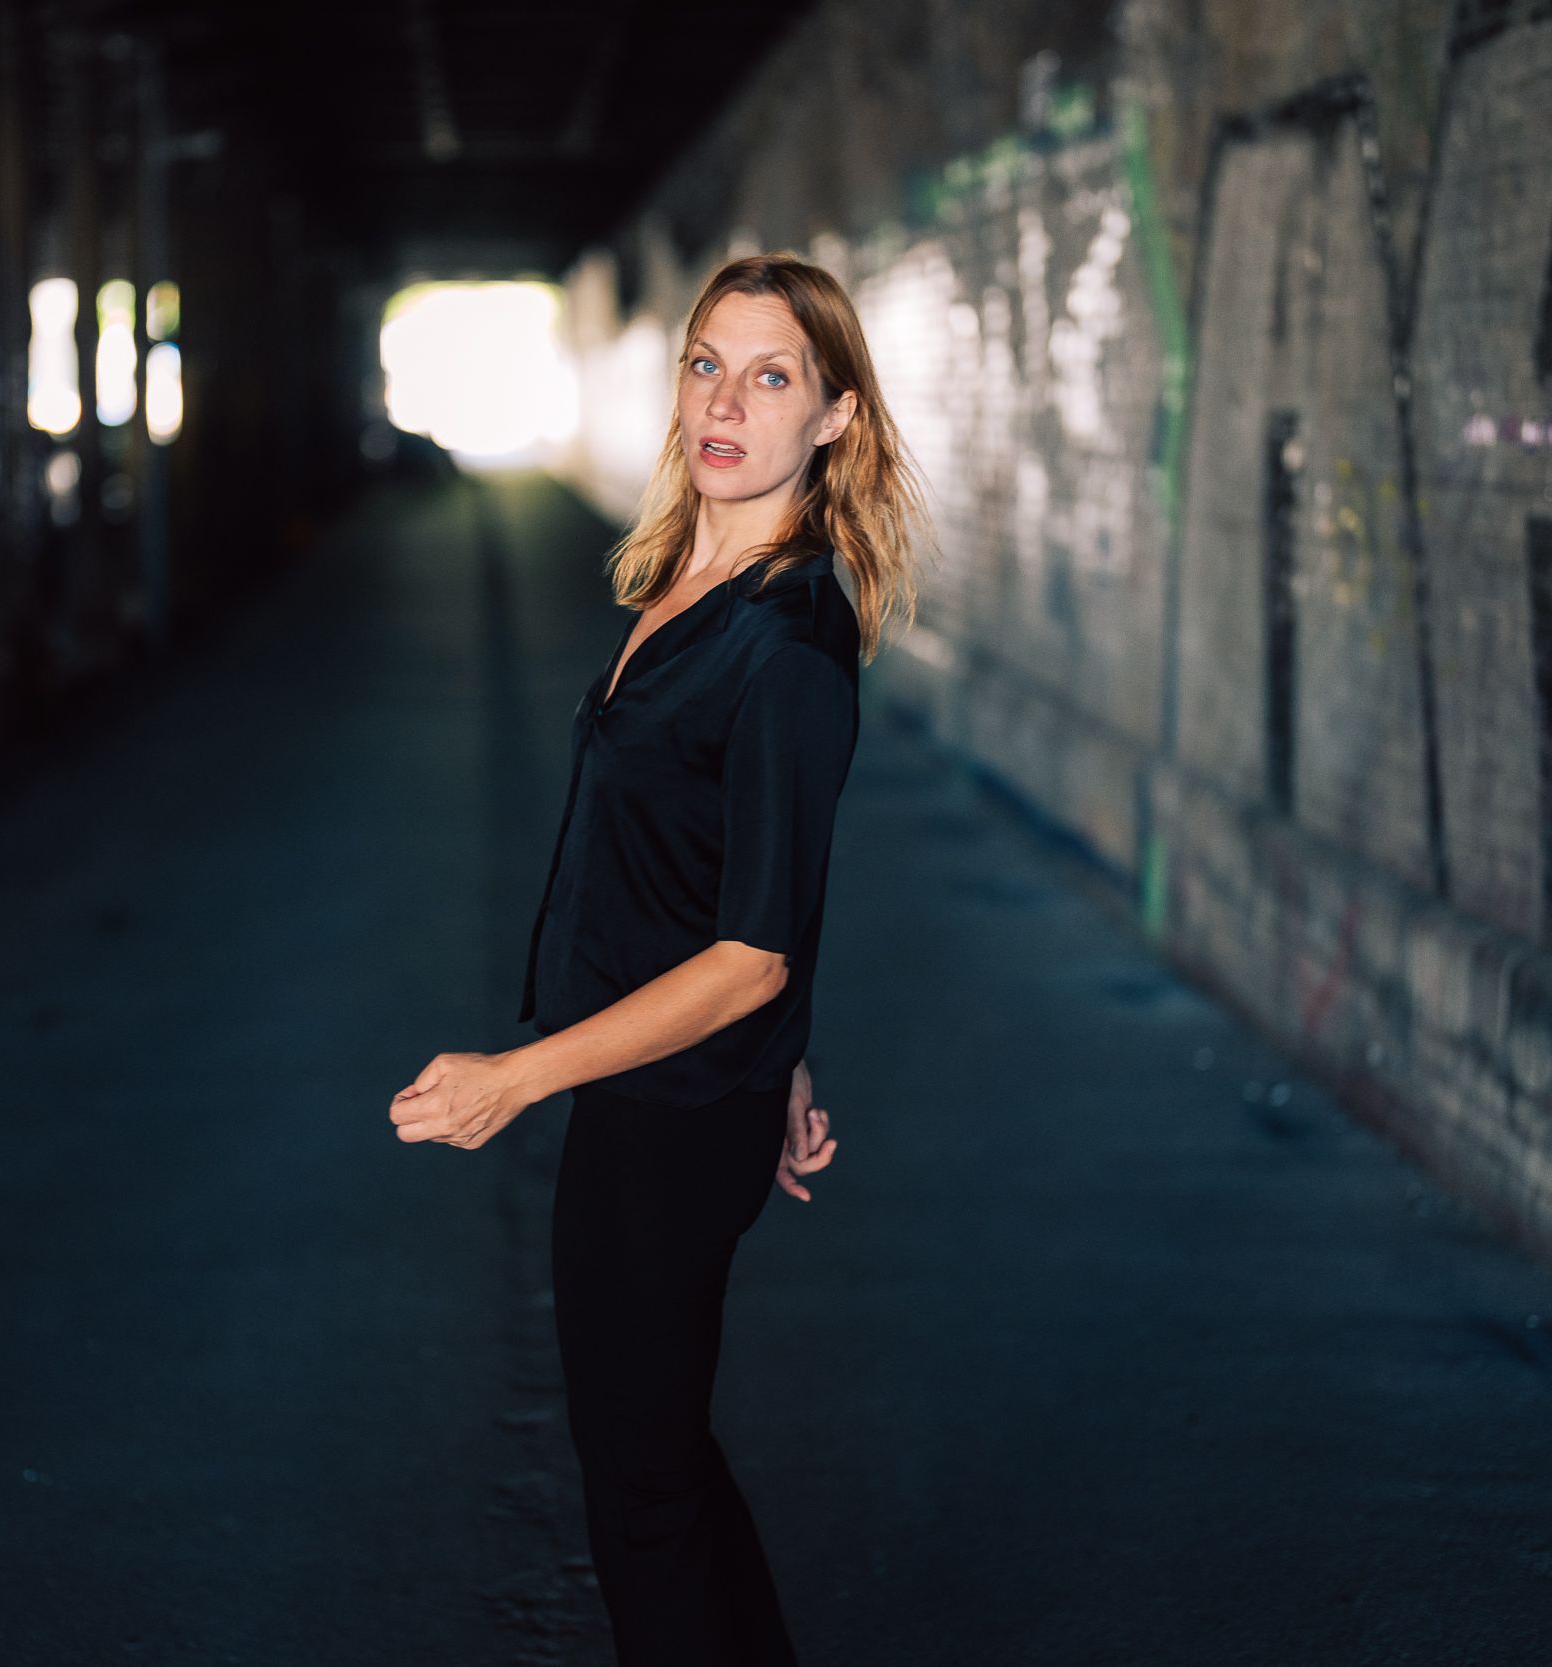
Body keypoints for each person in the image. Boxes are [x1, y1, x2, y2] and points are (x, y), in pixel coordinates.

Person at [388, 251, 928, 1664]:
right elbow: (724, 865)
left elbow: (753, 951)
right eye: (707, 365)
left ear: (835, 418)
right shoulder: (693, 581)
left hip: (674, 1113)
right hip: (671, 1086)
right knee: (657, 1467)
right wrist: (784, 1058)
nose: (725, 404)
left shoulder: (787, 642)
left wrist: (518, 1078)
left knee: (641, 1490)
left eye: (772, 377)